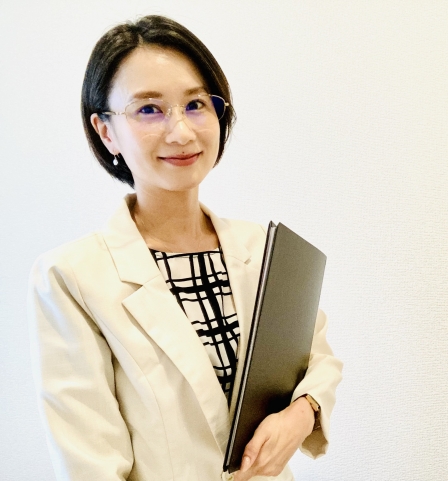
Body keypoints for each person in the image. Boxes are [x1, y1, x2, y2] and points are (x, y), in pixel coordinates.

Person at [27, 15, 342, 481]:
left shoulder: (262, 248)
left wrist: (301, 412)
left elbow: (316, 359)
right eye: (149, 110)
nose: (181, 132)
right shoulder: (71, 277)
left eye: (195, 104)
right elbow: (90, 464)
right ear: (106, 130)